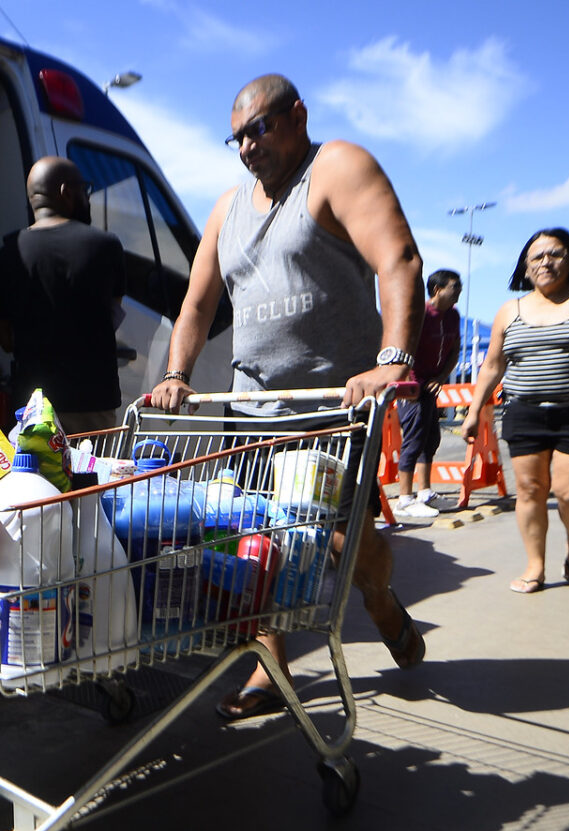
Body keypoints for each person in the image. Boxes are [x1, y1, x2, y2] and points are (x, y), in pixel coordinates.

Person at [147, 74, 425, 719]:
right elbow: (197, 302)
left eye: (260, 129)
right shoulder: (227, 207)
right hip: (250, 408)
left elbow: (399, 261)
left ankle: (379, 597)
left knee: (340, 543)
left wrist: (392, 360)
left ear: (297, 115)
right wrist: (176, 374)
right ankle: (269, 670)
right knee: (255, 543)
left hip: (331, 407)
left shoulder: (337, 168)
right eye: (237, 138)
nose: (248, 147)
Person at [461, 230, 569, 593]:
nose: (545, 262)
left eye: (555, 254)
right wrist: (475, 409)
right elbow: (493, 365)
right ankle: (535, 566)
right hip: (524, 411)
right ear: (525, 267)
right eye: (536, 257)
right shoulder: (510, 310)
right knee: (529, 490)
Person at [0, 156, 127, 437]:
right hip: (93, 405)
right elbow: (112, 314)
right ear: (65, 192)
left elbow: (5, 340)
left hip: (34, 410)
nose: (86, 199)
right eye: (83, 190)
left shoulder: (3, 258)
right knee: (96, 479)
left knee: (40, 480)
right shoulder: (106, 246)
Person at [394, 270, 464, 519]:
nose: (459, 291)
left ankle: (424, 493)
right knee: (413, 440)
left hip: (432, 386)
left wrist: (441, 377)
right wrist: (411, 385)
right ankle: (404, 499)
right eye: (454, 287)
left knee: (430, 439)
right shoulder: (419, 314)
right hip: (412, 386)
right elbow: (403, 349)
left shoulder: (454, 316)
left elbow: (455, 349)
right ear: (437, 290)